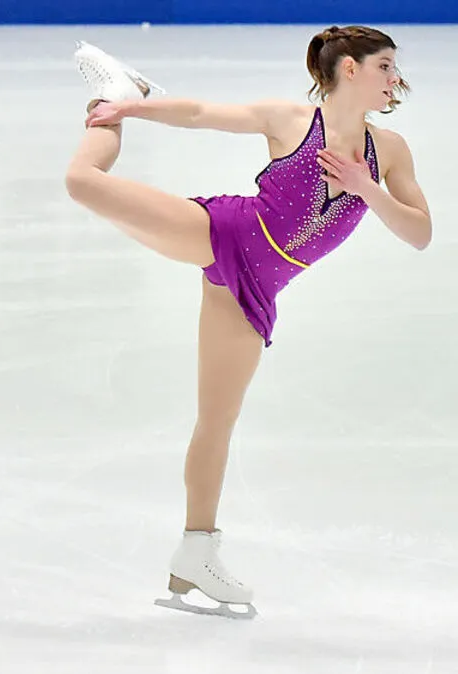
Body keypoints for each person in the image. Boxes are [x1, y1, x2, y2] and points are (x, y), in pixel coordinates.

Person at [64, 27, 431, 618]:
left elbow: (419, 233)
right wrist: (132, 109)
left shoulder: (388, 151)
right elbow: (202, 114)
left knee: (216, 420)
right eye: (385, 65)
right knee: (82, 181)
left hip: (256, 289)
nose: (395, 78)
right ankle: (114, 98)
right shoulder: (293, 121)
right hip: (225, 234)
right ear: (351, 70)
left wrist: (367, 187)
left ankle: (195, 552)